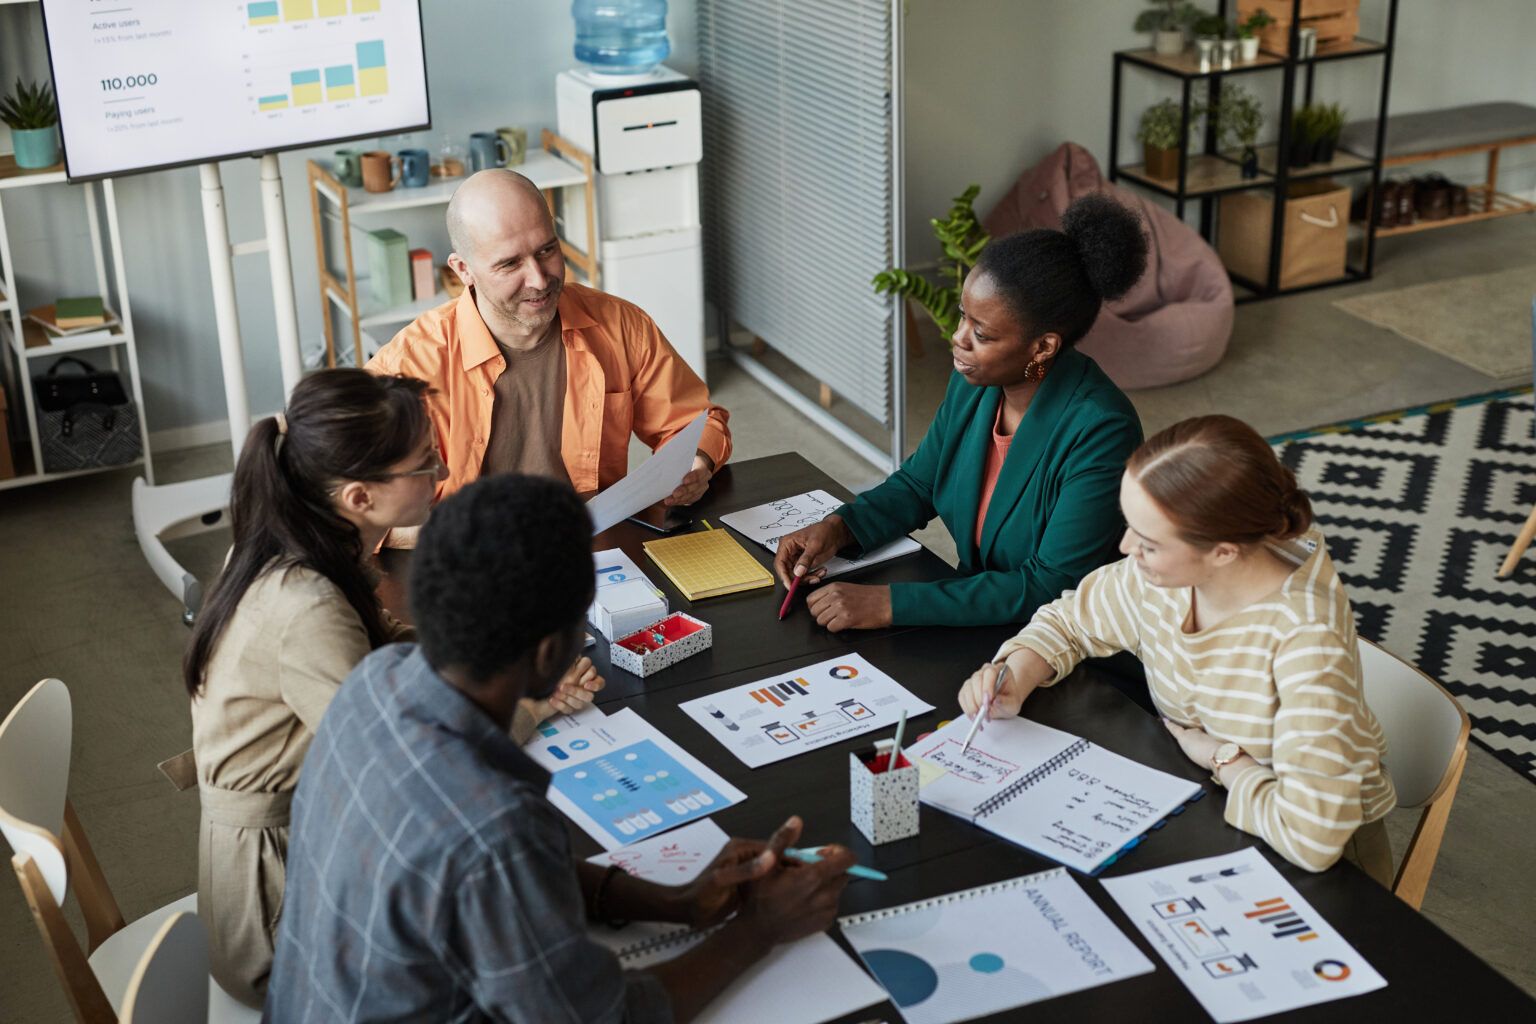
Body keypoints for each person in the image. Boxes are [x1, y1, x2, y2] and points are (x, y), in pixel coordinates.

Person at [265, 473, 855, 1022]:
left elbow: (500, 882)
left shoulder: (376, 679)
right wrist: (758, 928)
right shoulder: (497, 825)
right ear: (553, 652)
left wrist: (680, 901)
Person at [180, 369, 602, 1007]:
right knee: (511, 944)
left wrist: (491, 660)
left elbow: (385, 647)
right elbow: (402, 761)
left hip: (304, 834)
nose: (440, 472)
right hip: (278, 915)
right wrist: (530, 703)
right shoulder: (306, 608)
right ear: (358, 496)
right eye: (424, 464)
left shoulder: (308, 543)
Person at [958, 415, 1398, 882]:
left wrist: (1223, 759)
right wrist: (1015, 674)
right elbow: (1071, 619)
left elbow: (1312, 838)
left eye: (1147, 543)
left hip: (1321, 866)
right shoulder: (1167, 572)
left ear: (1223, 551)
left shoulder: (1305, 640)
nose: (1127, 548)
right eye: (1129, 526)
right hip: (1206, 803)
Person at [773, 193, 1149, 631]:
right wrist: (839, 528)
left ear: (1043, 346)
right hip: (981, 619)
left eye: (981, 333)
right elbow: (920, 483)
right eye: (962, 317)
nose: (957, 339)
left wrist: (892, 605)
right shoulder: (977, 383)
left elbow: (1051, 585)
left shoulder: (1101, 430)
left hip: (1066, 644)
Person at [366, 168, 730, 545]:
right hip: (465, 565)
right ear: (463, 270)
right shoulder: (408, 365)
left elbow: (695, 422)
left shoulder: (620, 325)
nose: (539, 279)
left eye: (547, 250)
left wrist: (696, 463)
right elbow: (345, 504)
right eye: (509, 264)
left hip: (589, 550)